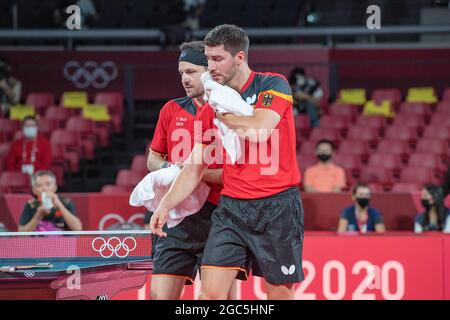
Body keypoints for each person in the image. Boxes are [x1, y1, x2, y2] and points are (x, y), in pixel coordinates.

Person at [150, 24, 304, 300]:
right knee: (209, 294)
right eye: (208, 59)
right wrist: (165, 205)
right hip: (232, 208)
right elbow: (194, 167)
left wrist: (223, 115)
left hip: (277, 206)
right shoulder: (210, 107)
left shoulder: (272, 84)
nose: (211, 67)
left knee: (279, 294)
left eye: (218, 59)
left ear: (239, 58)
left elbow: (258, 130)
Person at [144, 41, 230, 300]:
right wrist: (174, 169)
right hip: (177, 216)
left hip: (220, 215)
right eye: (181, 73)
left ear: (210, 71)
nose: (184, 79)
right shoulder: (171, 109)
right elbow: (153, 159)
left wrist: (191, 174)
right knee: (159, 297)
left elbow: (234, 172)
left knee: (220, 300)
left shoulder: (229, 112)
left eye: (191, 72)